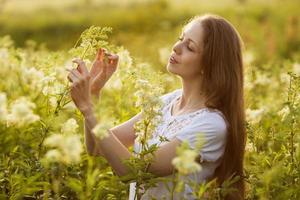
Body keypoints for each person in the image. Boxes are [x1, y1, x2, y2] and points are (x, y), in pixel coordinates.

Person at [67, 13, 246, 200]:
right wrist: (94, 94)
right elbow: (96, 147)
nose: (176, 48)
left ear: (209, 65)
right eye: (180, 39)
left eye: (190, 47)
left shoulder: (211, 125)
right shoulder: (166, 103)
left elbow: (133, 171)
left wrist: (88, 109)